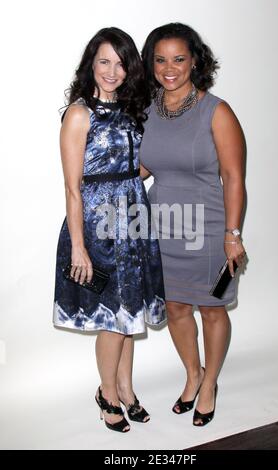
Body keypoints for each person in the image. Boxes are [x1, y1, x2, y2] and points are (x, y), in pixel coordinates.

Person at [53, 27, 166, 433]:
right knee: (112, 319)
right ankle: (106, 393)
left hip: (134, 221)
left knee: (129, 314)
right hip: (99, 229)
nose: (112, 71)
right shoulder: (79, 114)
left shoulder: (135, 109)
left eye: (120, 63)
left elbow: (138, 165)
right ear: (91, 64)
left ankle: (126, 388)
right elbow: (72, 187)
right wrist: (79, 248)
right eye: (104, 61)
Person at [140, 23, 246, 426]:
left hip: (208, 227)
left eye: (179, 59)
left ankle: (210, 383)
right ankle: (192, 375)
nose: (170, 68)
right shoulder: (148, 110)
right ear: (151, 64)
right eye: (161, 59)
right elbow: (147, 167)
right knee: (175, 308)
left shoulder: (215, 111)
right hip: (161, 227)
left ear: (195, 61)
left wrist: (232, 235)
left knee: (212, 309)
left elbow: (234, 177)